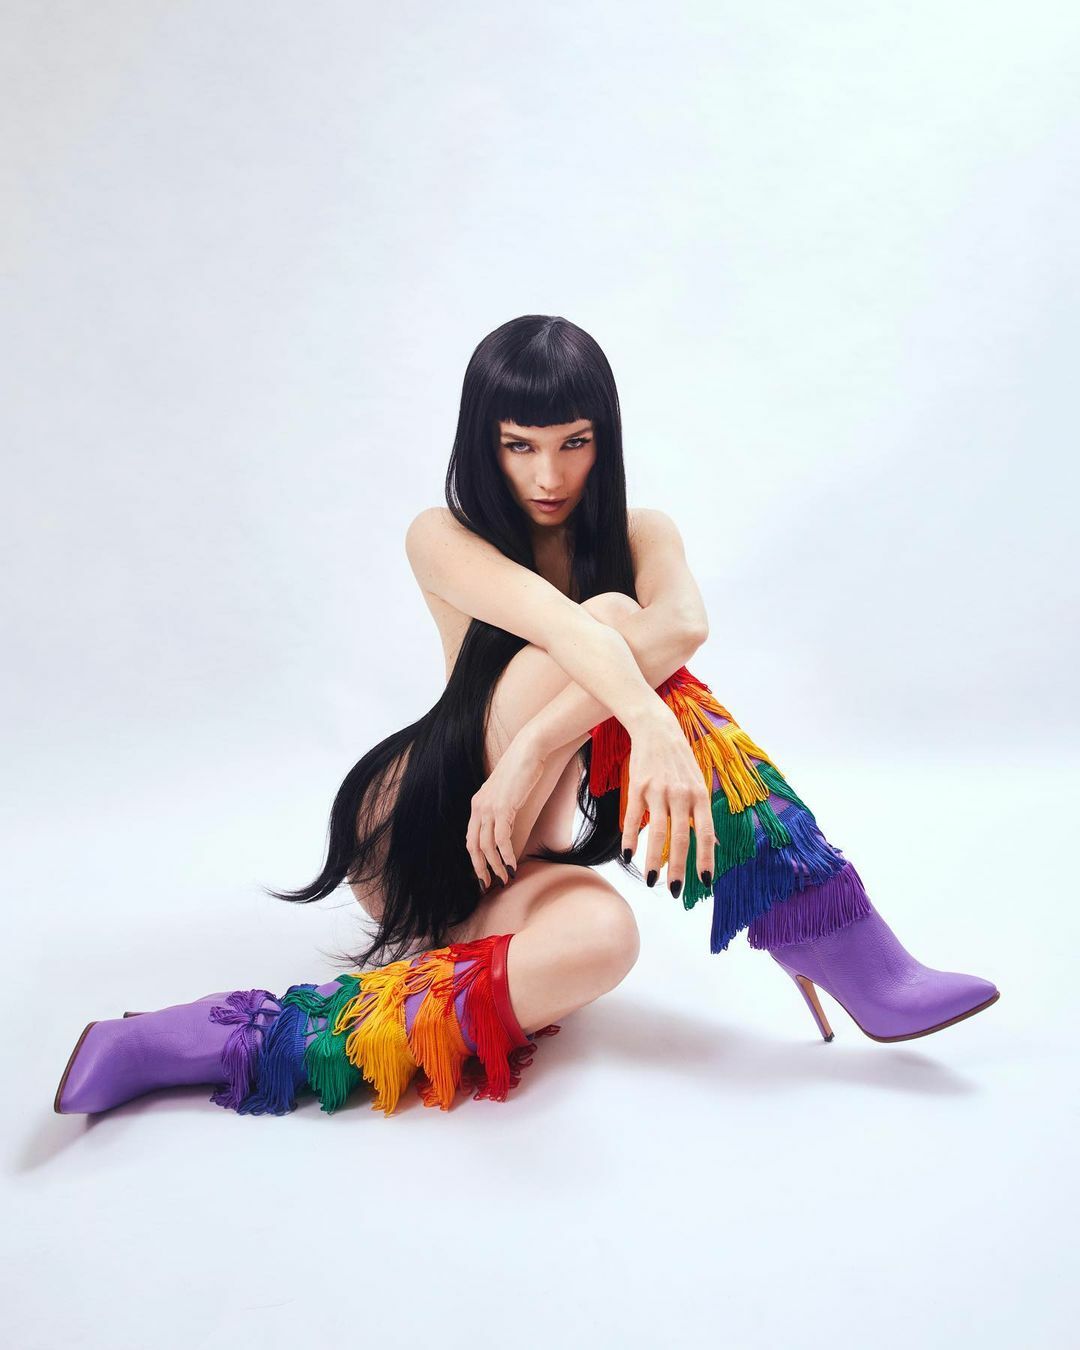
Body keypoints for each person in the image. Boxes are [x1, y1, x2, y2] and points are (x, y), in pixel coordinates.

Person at [54, 315, 1000, 1119]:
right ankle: (826, 924)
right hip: (419, 818)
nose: (548, 475)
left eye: (572, 443)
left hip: (512, 854)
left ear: (604, 440)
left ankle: (200, 1041)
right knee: (612, 620)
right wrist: (645, 726)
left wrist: (540, 749)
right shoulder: (442, 535)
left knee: (605, 939)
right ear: (485, 443)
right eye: (520, 446)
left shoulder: (643, 531)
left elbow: (687, 623)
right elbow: (577, 628)